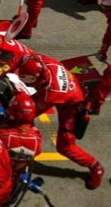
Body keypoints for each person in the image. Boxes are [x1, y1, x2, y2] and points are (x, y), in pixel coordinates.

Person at [16, 54, 104, 189]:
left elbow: (30, 112)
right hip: (70, 88)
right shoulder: (45, 62)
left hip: (71, 107)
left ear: (36, 79)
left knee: (65, 147)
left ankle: (95, 166)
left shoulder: (50, 93)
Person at [0, 92, 43, 176]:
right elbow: (38, 152)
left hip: (0, 171)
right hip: (19, 171)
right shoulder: (37, 137)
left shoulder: (2, 133)